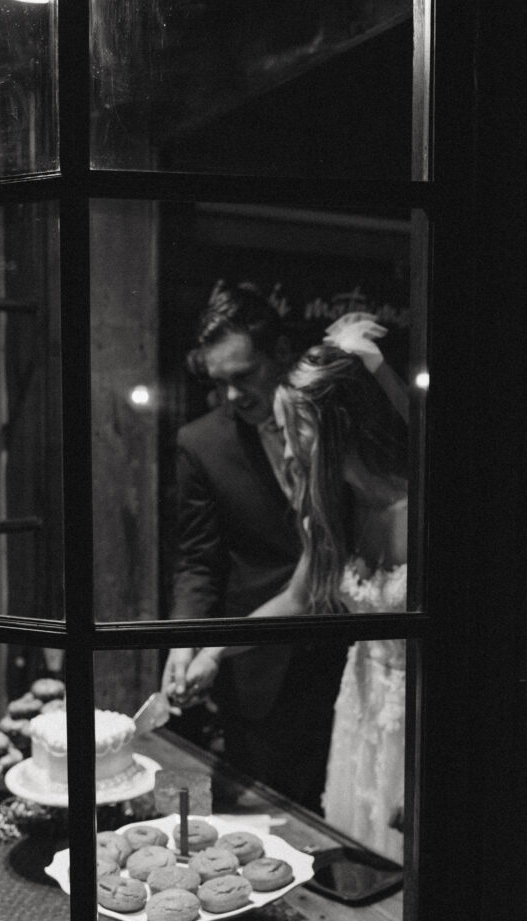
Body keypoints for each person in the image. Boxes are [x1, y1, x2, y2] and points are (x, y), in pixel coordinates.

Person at [175, 315, 409, 861]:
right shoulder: (339, 515)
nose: (286, 453)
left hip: (417, 726)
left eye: (296, 431)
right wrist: (212, 649)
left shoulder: (423, 511)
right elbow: (298, 601)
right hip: (361, 711)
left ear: (338, 425)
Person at [161, 282, 348, 813]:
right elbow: (198, 559)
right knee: (267, 813)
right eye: (219, 383)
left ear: (281, 355)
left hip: (348, 646)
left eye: (244, 376)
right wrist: (184, 642)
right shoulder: (201, 444)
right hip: (255, 664)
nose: (232, 396)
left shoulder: (337, 422)